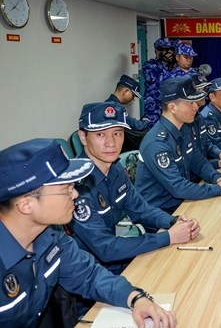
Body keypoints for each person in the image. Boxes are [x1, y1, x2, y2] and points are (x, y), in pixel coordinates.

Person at [0, 138, 175, 327]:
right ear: (26, 205)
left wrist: (135, 298)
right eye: (65, 189)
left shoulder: (50, 237)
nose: (75, 194)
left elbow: (89, 276)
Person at [68, 101, 201, 275]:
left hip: (114, 264)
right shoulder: (75, 187)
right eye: (100, 134)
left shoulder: (114, 169)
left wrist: (173, 222)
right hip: (87, 278)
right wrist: (169, 237)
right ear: (83, 137)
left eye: (117, 133)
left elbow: (141, 209)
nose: (111, 143)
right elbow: (106, 248)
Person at [136, 75, 221, 213]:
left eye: (195, 102)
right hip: (162, 214)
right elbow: (178, 187)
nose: (196, 107)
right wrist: (219, 189)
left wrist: (218, 179)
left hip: (183, 203)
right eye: (190, 103)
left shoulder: (183, 129)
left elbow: (198, 162)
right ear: (172, 107)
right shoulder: (157, 143)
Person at [105, 74, 150, 152]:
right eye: (133, 96)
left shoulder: (109, 104)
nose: (132, 99)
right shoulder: (114, 108)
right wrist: (146, 120)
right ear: (126, 92)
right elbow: (137, 125)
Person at [143, 37, 175, 127]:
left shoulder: (172, 68)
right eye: (166, 50)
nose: (169, 54)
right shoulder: (150, 65)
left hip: (168, 105)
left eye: (170, 50)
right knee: (152, 129)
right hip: (154, 106)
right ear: (158, 51)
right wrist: (162, 60)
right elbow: (151, 77)